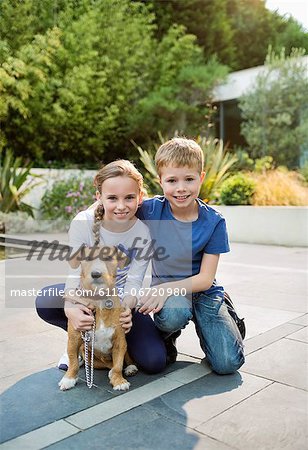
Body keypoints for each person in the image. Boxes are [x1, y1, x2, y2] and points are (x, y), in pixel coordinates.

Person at [36, 160, 167, 374]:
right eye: (112, 198)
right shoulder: (83, 222)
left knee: (154, 362)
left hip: (120, 301)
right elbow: (74, 271)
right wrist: (70, 307)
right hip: (86, 297)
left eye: (129, 198)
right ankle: (78, 343)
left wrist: (126, 309)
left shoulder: (142, 232)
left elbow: (134, 281)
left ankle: (111, 343)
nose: (121, 206)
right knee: (45, 301)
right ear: (99, 197)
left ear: (140, 197)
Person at [136, 137, 245, 374]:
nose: (181, 188)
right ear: (160, 181)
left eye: (189, 179)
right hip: (172, 297)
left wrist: (163, 289)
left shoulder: (214, 221)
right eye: (172, 180)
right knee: (175, 313)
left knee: (228, 364)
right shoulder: (151, 209)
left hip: (203, 291)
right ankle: (167, 337)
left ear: (201, 178)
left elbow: (206, 279)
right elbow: (117, 206)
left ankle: (224, 315)